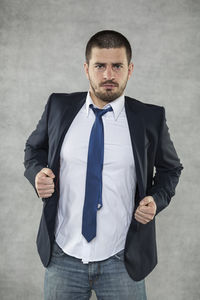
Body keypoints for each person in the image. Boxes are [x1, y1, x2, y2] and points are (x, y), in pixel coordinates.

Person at [23, 30, 183, 300]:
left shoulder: (149, 118)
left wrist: (156, 201)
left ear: (129, 70)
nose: (109, 75)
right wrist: (37, 173)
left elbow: (170, 170)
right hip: (63, 257)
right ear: (87, 69)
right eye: (100, 66)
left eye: (117, 66)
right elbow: (33, 150)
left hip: (122, 260)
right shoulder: (59, 107)